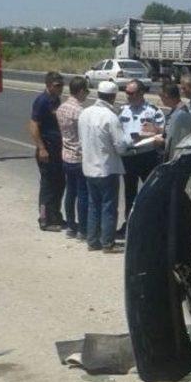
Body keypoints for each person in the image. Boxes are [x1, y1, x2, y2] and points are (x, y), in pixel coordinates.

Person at [78, 81, 130, 254]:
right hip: (107, 168)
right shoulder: (110, 117)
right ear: (113, 97)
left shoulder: (85, 113)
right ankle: (108, 242)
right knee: (108, 206)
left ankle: (92, 240)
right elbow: (121, 146)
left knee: (94, 205)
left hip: (89, 167)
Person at [117, 78, 165, 235]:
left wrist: (148, 135)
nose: (128, 95)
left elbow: (163, 132)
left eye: (132, 93)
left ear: (141, 93)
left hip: (147, 156)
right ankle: (129, 225)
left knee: (150, 190)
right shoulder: (122, 110)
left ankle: (152, 224)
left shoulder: (153, 111)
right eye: (126, 92)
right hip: (128, 157)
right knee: (129, 192)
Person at [30, 71, 65, 231]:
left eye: (62, 85)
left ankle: (55, 215)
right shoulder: (42, 101)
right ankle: (44, 219)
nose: (60, 88)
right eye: (57, 85)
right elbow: (33, 125)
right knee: (48, 185)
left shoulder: (55, 100)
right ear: (48, 85)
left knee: (59, 183)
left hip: (58, 150)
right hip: (46, 150)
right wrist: (41, 148)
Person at [56, 76, 89, 239]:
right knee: (83, 194)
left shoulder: (61, 108)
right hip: (79, 156)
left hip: (66, 155)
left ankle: (70, 226)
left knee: (70, 192)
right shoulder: (80, 111)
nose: (87, 95)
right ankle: (82, 229)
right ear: (81, 91)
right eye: (87, 91)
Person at [158, 81, 191, 161]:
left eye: (161, 97)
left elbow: (179, 140)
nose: (161, 100)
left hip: (175, 158)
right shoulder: (175, 111)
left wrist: (162, 142)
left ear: (166, 96)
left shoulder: (181, 114)